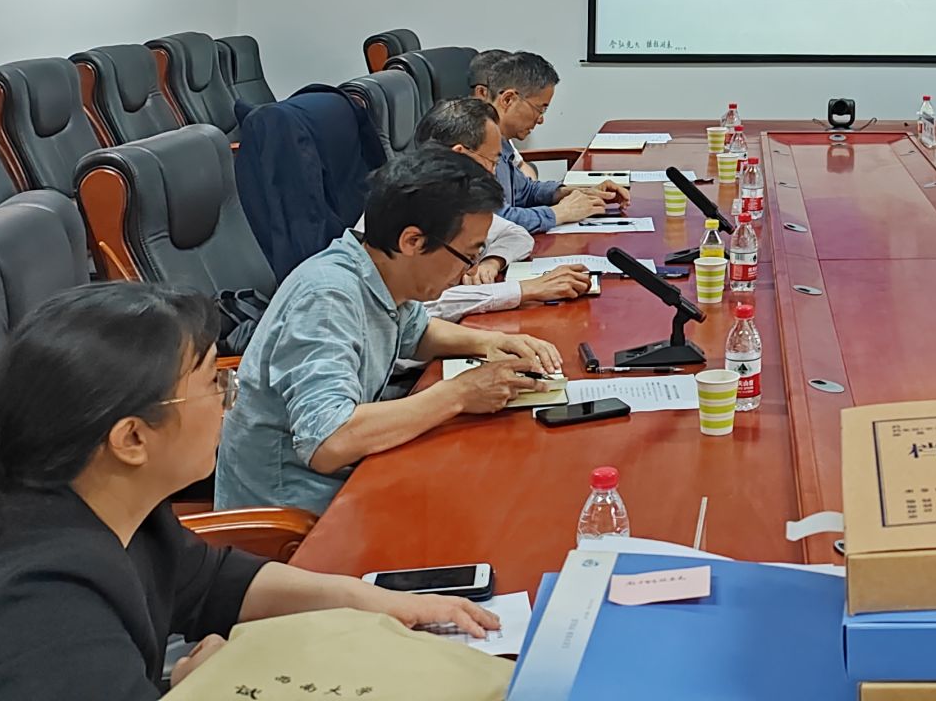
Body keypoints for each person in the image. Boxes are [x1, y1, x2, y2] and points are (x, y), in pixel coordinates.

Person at [0, 283, 497, 700]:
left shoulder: (98, 507)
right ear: (131, 438)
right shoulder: (40, 617)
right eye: (212, 386)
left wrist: (376, 602)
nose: (229, 401)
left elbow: (213, 581)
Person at [215, 146, 564, 514]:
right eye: (467, 255)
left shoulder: (378, 272)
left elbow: (417, 333)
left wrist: (494, 342)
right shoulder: (327, 298)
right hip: (297, 512)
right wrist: (461, 393)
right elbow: (329, 441)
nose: (469, 269)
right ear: (412, 241)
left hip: (352, 480)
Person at [412, 97, 592, 313]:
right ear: (460, 155)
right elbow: (423, 307)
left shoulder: (460, 201)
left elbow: (516, 234)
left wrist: (492, 261)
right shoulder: (413, 208)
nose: (494, 172)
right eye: (492, 161)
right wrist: (523, 290)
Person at [484, 51, 627, 233]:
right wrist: (559, 213)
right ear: (508, 99)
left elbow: (525, 192)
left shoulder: (501, 140)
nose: (541, 119)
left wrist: (575, 193)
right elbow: (492, 221)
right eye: (540, 109)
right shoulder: (473, 145)